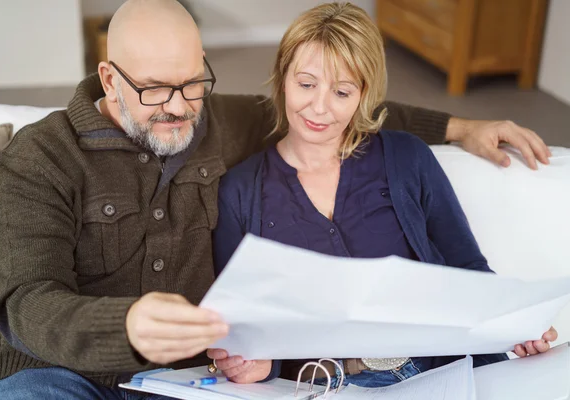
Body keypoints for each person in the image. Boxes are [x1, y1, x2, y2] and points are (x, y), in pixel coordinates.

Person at [0, 0, 552, 398]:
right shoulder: (40, 156)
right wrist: (123, 324)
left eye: (192, 83)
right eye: (154, 90)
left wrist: (456, 126)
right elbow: (25, 304)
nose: (177, 107)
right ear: (109, 78)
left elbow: (336, 106)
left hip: (178, 379)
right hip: (51, 372)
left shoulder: (213, 120)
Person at [208, 2, 557, 388]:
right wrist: (257, 366)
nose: (319, 107)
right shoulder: (240, 192)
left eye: (342, 91)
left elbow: (468, 271)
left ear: (364, 94)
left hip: (438, 372)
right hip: (325, 387)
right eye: (306, 84)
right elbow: (242, 327)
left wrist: (517, 325)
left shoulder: (407, 158)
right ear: (282, 78)